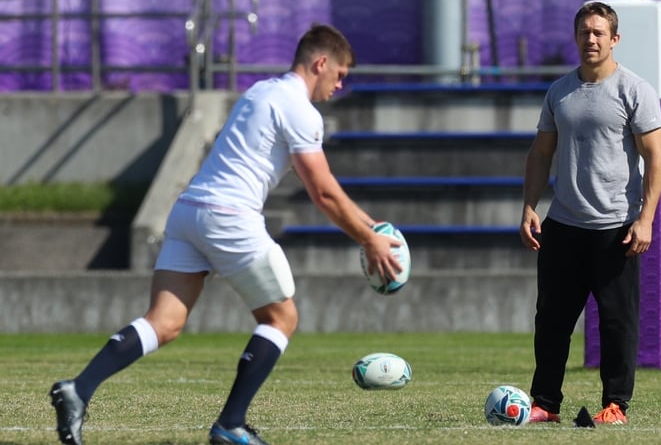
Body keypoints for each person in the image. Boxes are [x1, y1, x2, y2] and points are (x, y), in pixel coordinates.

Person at [49, 24, 402, 445]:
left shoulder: (259, 92)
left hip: (188, 211)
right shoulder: (300, 109)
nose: (341, 84)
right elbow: (323, 192)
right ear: (320, 63)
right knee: (281, 317)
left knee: (164, 323)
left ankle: (79, 389)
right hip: (229, 216)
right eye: (340, 73)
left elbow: (328, 189)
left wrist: (373, 228)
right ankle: (230, 425)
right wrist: (368, 239)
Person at [519, 2, 661, 425]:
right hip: (563, 226)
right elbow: (540, 153)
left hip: (615, 228)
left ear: (614, 39)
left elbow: (655, 159)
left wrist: (645, 218)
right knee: (550, 322)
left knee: (618, 324)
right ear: (576, 36)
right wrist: (530, 206)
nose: (591, 39)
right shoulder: (559, 91)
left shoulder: (634, 90)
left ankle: (615, 404)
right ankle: (545, 404)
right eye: (585, 32)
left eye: (600, 32)